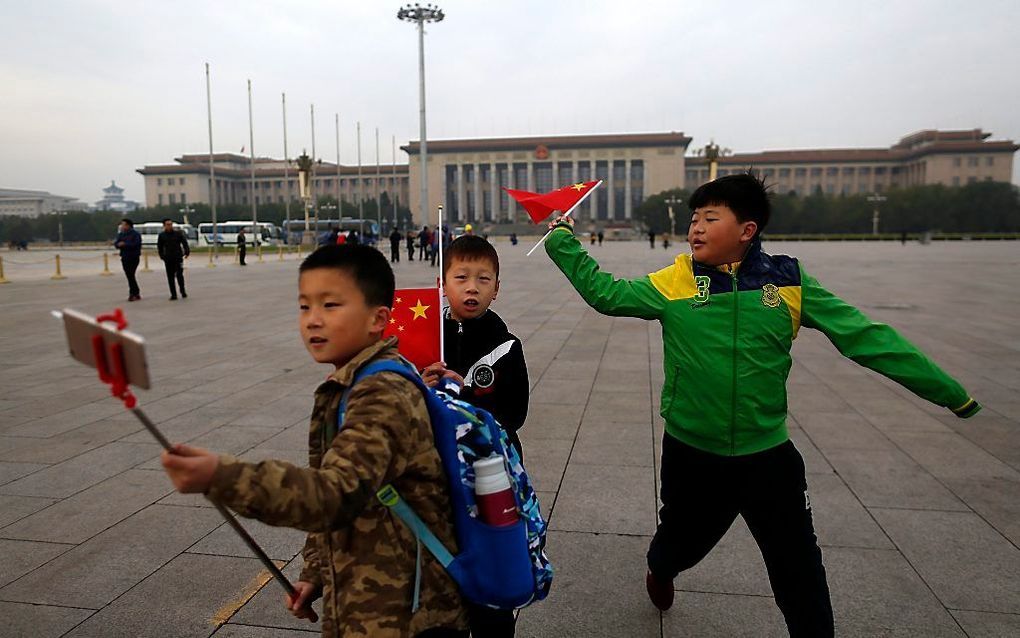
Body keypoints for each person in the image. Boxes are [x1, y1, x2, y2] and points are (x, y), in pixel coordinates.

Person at [543, 172, 981, 637]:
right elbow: (607, 295)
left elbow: (863, 336)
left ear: (747, 230)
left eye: (710, 218)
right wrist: (562, 242)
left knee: (798, 566)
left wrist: (949, 391)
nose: (695, 228)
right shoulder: (677, 281)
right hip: (693, 453)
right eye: (694, 218)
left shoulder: (789, 281)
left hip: (767, 455)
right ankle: (661, 565)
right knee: (681, 542)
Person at [160, 244, 468, 638]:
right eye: (305, 307)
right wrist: (317, 572)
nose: (313, 320)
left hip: (409, 616)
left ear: (379, 319)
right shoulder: (354, 383)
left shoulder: (382, 394)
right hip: (375, 604)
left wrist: (222, 477)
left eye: (331, 305)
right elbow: (349, 490)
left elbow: (333, 494)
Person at [421, 235, 529, 637]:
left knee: (490, 583)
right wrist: (423, 385)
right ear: (442, 283)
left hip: (490, 481)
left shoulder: (506, 347)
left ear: (496, 288)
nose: (472, 287)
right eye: (461, 277)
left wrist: (460, 395)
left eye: (484, 279)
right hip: (438, 481)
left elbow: (513, 415)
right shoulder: (428, 342)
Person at [157, 219, 190, 300]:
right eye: (167, 224)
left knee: (179, 275)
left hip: (178, 257)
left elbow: (184, 243)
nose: (169, 226)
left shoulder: (178, 234)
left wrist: (186, 252)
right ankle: (173, 294)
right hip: (168, 258)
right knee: (170, 277)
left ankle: (182, 291)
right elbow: (159, 247)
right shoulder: (162, 235)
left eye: (171, 224)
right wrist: (162, 256)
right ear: (164, 226)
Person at [114, 218, 142, 301]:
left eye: (123, 224)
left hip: (134, 257)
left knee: (131, 275)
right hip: (124, 257)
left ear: (128, 225)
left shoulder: (135, 234)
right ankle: (136, 292)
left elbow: (136, 244)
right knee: (129, 275)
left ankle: (132, 293)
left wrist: (125, 244)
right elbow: (116, 243)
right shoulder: (121, 234)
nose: (122, 226)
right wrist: (118, 244)